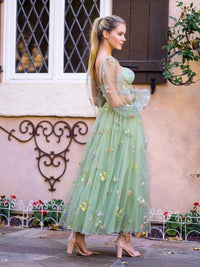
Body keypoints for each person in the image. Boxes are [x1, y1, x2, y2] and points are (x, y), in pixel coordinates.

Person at [60, 15, 150, 258]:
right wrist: (135, 95)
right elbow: (113, 100)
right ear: (105, 34)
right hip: (120, 126)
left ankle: (78, 235)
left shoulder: (95, 60)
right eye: (120, 33)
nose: (123, 38)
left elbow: (98, 101)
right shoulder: (107, 61)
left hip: (111, 125)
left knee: (104, 178)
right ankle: (124, 239)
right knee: (124, 179)